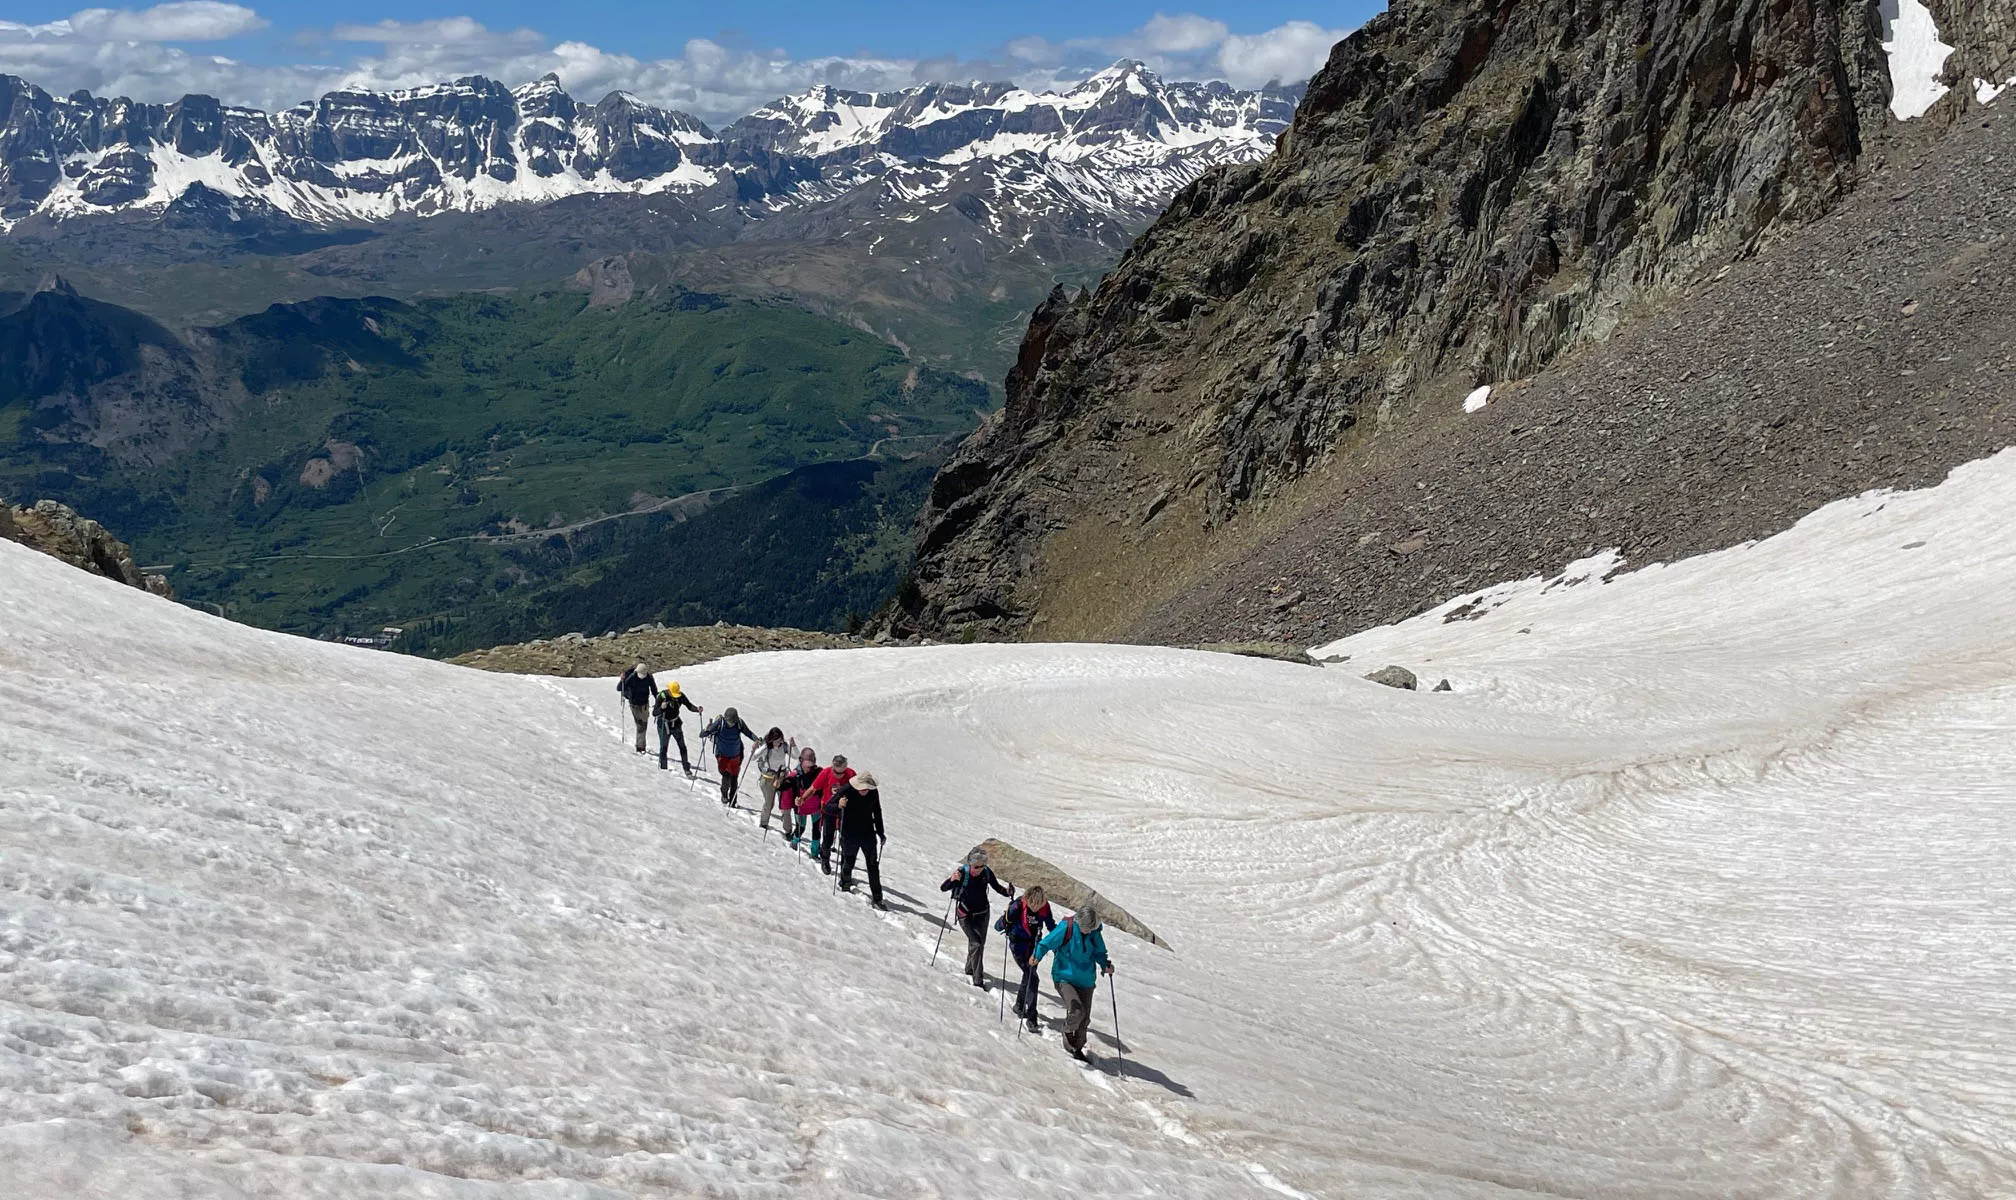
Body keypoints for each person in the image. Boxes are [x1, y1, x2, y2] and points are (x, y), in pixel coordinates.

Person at [1032, 902, 1113, 1062]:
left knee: (1084, 1019)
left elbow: (1099, 952)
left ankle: (1078, 1048)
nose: (1089, 931)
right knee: (1076, 1011)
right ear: (1079, 922)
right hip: (1064, 977)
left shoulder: (1094, 931)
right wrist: (1037, 955)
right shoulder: (1066, 928)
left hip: (1086, 979)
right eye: (1087, 928)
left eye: (1092, 928)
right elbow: (1046, 943)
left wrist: (1105, 965)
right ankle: (1068, 1034)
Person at [940, 848, 1011, 989]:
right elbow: (943, 888)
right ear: (970, 864)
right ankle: (978, 980)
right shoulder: (962, 873)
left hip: (983, 913)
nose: (979, 869)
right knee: (977, 943)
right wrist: (952, 879)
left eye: (982, 866)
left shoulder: (986, 872)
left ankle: (969, 968)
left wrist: (1008, 892)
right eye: (976, 866)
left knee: (978, 945)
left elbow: (997, 887)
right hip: (965, 915)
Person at [997, 885, 1057, 1033]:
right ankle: (1031, 1017)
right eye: (1033, 904)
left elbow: (1050, 925)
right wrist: (1005, 920)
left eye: (1039, 904)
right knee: (1032, 978)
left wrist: (1060, 940)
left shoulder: (1045, 908)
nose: (1036, 907)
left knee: (1029, 976)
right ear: (1027, 899)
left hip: (1034, 946)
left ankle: (1019, 1005)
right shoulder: (1017, 906)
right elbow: (999, 925)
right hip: (1018, 945)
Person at [835, 771, 887, 909]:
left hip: (868, 833)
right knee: (849, 859)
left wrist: (881, 833)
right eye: (862, 788)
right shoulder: (846, 790)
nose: (864, 790)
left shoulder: (873, 793)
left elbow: (877, 812)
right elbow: (829, 806)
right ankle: (845, 883)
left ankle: (877, 898)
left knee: (872, 865)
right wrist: (839, 805)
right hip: (850, 832)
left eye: (867, 788)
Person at [700, 707, 759, 806]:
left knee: (734, 779)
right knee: (726, 776)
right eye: (729, 721)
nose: (731, 723)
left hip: (736, 755)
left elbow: (748, 733)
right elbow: (703, 734)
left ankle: (733, 802)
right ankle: (724, 794)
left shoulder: (739, 723)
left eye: (732, 722)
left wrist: (757, 740)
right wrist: (707, 730)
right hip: (722, 755)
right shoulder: (720, 723)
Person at [804, 754, 854, 872]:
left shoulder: (851, 774)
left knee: (845, 840)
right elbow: (813, 788)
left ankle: (845, 868)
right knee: (828, 838)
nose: (838, 775)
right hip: (829, 809)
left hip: (845, 811)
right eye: (836, 772)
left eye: (841, 773)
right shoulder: (826, 772)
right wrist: (803, 799)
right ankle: (825, 860)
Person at [752, 727, 796, 833]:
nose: (779, 743)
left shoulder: (784, 746)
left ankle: (788, 830)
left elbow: (796, 756)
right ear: (771, 740)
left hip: (782, 777)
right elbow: (753, 757)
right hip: (768, 778)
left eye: (780, 740)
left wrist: (793, 746)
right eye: (776, 740)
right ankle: (763, 823)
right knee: (769, 803)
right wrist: (754, 749)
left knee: (785, 804)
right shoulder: (766, 747)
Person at [653, 681, 702, 774]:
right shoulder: (662, 696)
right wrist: (661, 708)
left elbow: (689, 705)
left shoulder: (680, 696)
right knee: (663, 747)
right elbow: (654, 713)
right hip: (664, 724)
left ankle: (686, 768)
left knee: (682, 746)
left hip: (676, 724)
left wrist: (697, 709)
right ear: (669, 690)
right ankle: (664, 769)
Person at [781, 747, 820, 848]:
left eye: (811, 765)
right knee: (800, 828)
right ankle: (794, 843)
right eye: (807, 765)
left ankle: (815, 851)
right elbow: (787, 784)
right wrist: (779, 785)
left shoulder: (819, 772)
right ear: (801, 761)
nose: (809, 768)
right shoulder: (795, 774)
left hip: (815, 806)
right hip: (800, 806)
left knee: (817, 829)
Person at [616, 663, 657, 754]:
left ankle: (641, 746)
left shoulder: (649, 677)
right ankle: (640, 747)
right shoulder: (631, 677)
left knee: (643, 724)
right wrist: (622, 680)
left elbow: (654, 689)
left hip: (644, 703)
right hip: (634, 704)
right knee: (640, 725)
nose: (642, 677)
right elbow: (619, 688)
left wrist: (658, 700)